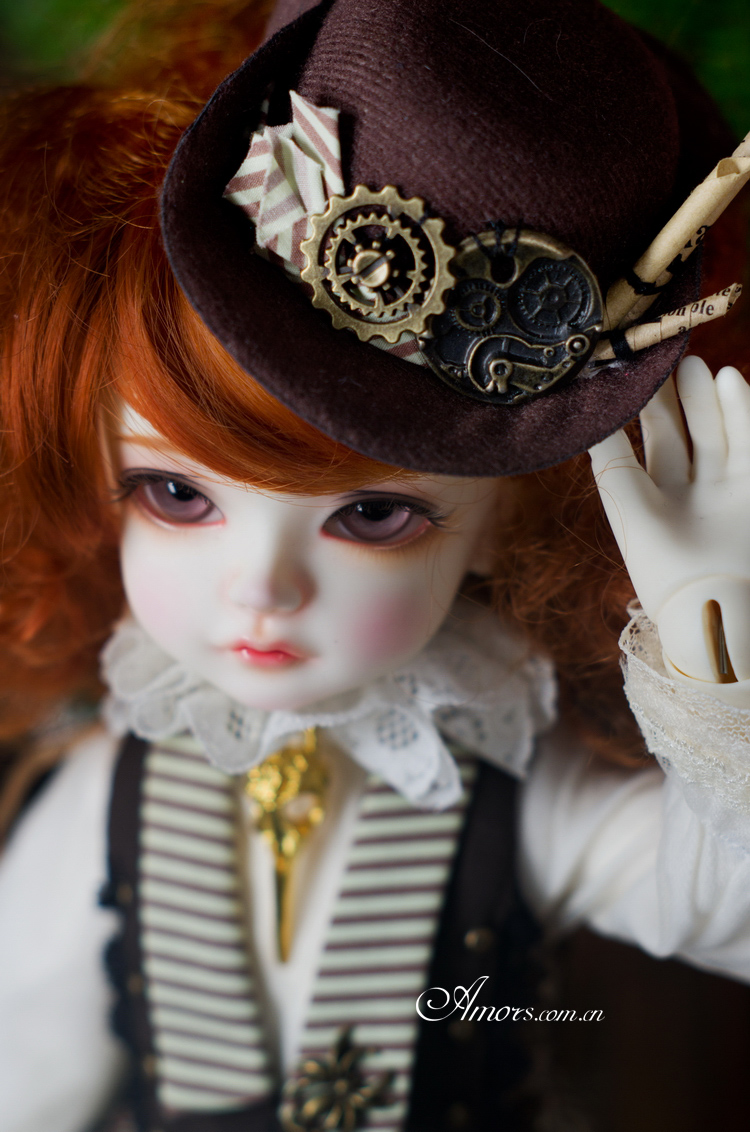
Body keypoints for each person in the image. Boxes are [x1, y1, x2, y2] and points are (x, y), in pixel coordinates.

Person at [1, 1, 750, 1130]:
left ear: (504, 523)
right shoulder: (107, 792)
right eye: (175, 494)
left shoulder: (509, 794)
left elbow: (729, 909)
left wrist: (716, 648)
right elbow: (26, 1068)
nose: (261, 588)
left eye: (372, 516)